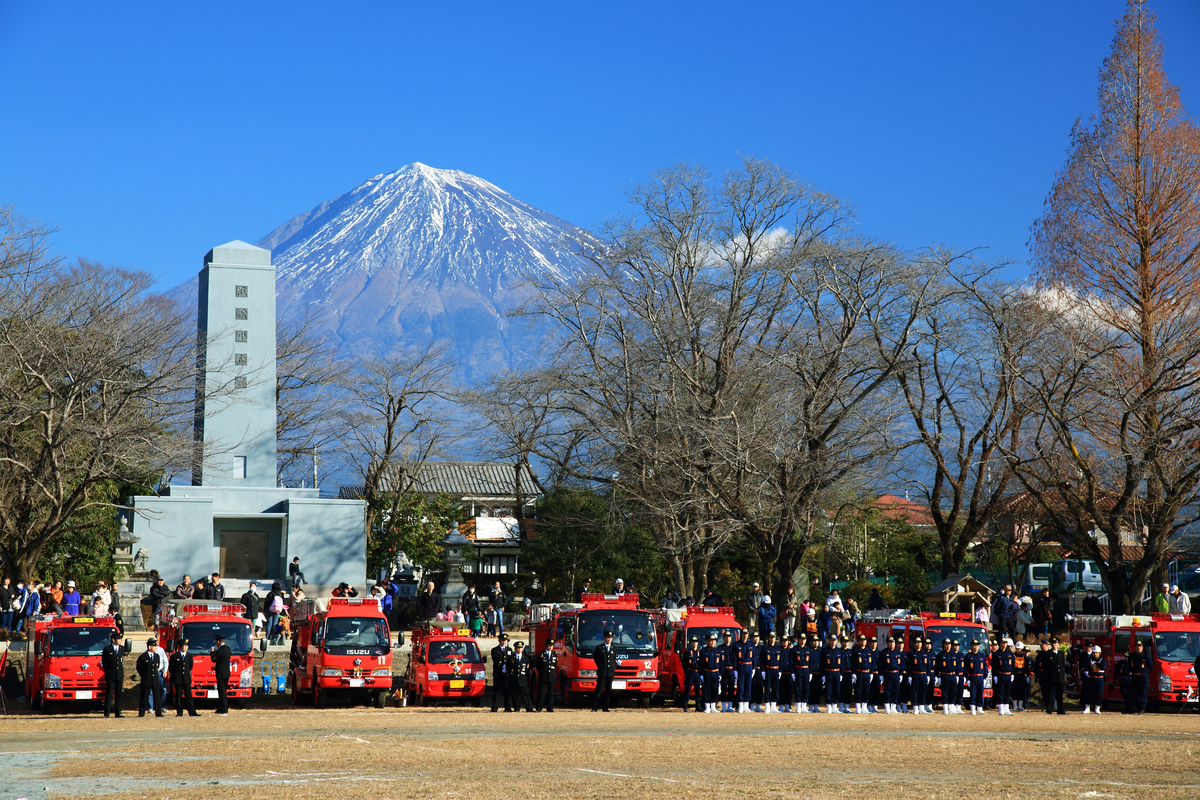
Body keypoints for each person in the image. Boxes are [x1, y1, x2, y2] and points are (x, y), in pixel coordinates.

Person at [168, 639, 199, 716]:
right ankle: (179, 712)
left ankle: (192, 712)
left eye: (187, 646)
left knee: (189, 695)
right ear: (180, 647)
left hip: (186, 678)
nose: (186, 648)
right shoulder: (175, 656)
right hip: (178, 678)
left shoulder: (189, 656)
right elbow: (171, 667)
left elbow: (190, 666)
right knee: (178, 696)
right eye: (184, 646)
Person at [1035, 639, 1067, 715]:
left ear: (1058, 644)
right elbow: (1045, 666)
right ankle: (1049, 709)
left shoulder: (1061, 653)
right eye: (1052, 643)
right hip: (1051, 677)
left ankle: (1060, 709)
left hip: (1060, 677)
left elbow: (1062, 664)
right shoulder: (1048, 654)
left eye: (1055, 643)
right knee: (1050, 694)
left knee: (1060, 695)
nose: (1054, 645)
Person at [136, 637, 164, 717]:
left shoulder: (157, 656)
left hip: (155, 679)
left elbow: (157, 666)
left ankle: (158, 713)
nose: (156, 647)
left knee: (157, 697)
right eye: (154, 646)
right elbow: (139, 668)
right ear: (149, 646)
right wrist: (144, 675)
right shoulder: (143, 657)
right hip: (146, 679)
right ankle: (141, 713)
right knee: (144, 696)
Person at [732, 628, 758, 713]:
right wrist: (735, 669)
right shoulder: (736, 645)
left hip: (749, 666)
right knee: (741, 686)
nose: (744, 636)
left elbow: (754, 656)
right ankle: (740, 705)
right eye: (743, 634)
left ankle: (746, 705)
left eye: (746, 634)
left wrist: (754, 667)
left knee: (748, 686)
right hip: (740, 666)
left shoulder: (751, 644)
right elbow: (734, 658)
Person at [591, 629, 617, 711]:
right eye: (607, 638)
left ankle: (605, 707)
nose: (608, 639)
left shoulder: (614, 648)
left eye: (610, 638)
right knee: (599, 690)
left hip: (610, 672)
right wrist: (601, 667)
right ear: (604, 638)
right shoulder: (599, 648)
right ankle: (594, 707)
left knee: (608, 691)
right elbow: (596, 659)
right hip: (602, 671)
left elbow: (613, 659)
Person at [699, 632, 725, 713]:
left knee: (715, 689)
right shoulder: (703, 651)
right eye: (710, 640)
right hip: (707, 673)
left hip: (716, 673)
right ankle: (707, 707)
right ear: (707, 642)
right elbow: (700, 664)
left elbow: (721, 664)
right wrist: (701, 675)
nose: (712, 642)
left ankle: (713, 706)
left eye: (713, 640)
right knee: (706, 690)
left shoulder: (718, 651)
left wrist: (720, 674)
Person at [102, 631, 126, 718]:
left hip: (119, 674)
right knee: (109, 693)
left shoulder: (122, 648)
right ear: (113, 640)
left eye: (120, 639)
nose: (120, 640)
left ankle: (118, 712)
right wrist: (108, 671)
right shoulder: (107, 649)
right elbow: (104, 662)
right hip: (110, 674)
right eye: (118, 639)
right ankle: (107, 712)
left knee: (119, 694)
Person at [759, 630, 784, 712]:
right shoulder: (765, 648)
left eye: (773, 637)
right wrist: (762, 670)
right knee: (767, 688)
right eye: (770, 637)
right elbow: (761, 660)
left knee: (775, 688)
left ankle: (773, 706)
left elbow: (781, 661)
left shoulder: (778, 648)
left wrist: (780, 670)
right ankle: (767, 706)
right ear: (768, 638)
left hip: (776, 670)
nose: (772, 639)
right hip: (767, 669)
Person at [507, 641, 535, 711]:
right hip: (514, 679)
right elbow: (508, 668)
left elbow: (526, 669)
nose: (519, 650)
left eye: (520, 648)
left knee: (525, 695)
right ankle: (516, 708)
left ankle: (529, 708)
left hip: (522, 679)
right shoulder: (511, 658)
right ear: (515, 649)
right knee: (514, 695)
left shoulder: (526, 659)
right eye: (517, 648)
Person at [1126, 638, 1151, 714]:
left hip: (1143, 677)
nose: (1138, 648)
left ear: (1142, 647)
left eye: (1140, 646)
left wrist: (1146, 673)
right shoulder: (1132, 656)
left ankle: (1142, 709)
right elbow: (1129, 666)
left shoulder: (1145, 656)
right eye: (1137, 646)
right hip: (1134, 676)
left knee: (1143, 693)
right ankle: (1132, 708)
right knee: (1133, 693)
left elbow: (1150, 667)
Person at [821, 634, 845, 713]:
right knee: (828, 689)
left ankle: (835, 706)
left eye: (834, 640)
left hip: (837, 672)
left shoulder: (839, 651)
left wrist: (841, 673)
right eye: (831, 640)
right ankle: (829, 707)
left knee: (836, 690)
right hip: (828, 672)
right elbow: (822, 664)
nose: (833, 642)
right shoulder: (825, 651)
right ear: (828, 640)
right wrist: (823, 674)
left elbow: (842, 663)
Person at [964, 639, 989, 715]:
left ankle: (980, 708)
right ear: (971, 646)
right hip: (972, 677)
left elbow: (985, 667)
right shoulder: (968, 656)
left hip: (980, 677)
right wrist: (967, 679)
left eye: (977, 645)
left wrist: (985, 677)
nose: (976, 647)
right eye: (974, 645)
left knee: (980, 693)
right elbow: (965, 669)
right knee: (973, 693)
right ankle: (972, 709)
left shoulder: (981, 656)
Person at [992, 638, 1015, 715]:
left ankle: (1006, 708)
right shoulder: (996, 654)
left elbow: (1012, 665)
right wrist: (995, 675)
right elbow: (994, 666)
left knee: (1007, 692)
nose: (1004, 644)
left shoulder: (1009, 653)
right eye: (1003, 643)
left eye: (1005, 643)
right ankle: (1001, 708)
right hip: (1000, 674)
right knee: (1000, 692)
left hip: (1008, 675)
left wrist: (1012, 674)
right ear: (1000, 644)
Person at [1080, 644, 1105, 714]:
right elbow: (1086, 667)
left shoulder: (1102, 660)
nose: (1095, 654)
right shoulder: (1089, 660)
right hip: (1091, 678)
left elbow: (1103, 667)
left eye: (1096, 652)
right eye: (1094, 652)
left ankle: (1097, 708)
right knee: (1088, 693)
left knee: (1099, 694)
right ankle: (1087, 708)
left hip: (1099, 679)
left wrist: (1095, 664)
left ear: (1099, 653)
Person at [680, 635, 703, 711]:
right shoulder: (687, 652)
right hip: (690, 672)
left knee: (697, 689)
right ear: (690, 643)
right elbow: (684, 663)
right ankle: (685, 705)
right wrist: (687, 670)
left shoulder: (700, 652)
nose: (694, 644)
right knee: (687, 689)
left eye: (695, 642)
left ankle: (698, 705)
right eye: (693, 642)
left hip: (697, 673)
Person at [490, 633, 511, 712]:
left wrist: (507, 667)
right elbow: (496, 660)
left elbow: (510, 660)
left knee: (507, 691)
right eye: (502, 640)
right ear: (499, 640)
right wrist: (503, 666)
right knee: (497, 691)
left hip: (507, 674)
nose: (503, 642)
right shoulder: (495, 650)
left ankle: (507, 707)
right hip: (499, 673)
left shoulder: (509, 650)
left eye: (505, 641)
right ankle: (495, 707)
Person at [534, 642, 558, 712]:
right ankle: (539, 707)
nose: (550, 647)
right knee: (541, 692)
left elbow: (555, 665)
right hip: (543, 676)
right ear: (546, 646)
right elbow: (537, 666)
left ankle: (550, 707)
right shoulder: (541, 654)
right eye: (549, 645)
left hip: (551, 676)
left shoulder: (554, 655)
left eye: (552, 646)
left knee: (551, 692)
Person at [719, 630, 738, 712]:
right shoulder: (720, 648)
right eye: (726, 637)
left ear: (731, 638)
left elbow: (736, 659)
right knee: (723, 688)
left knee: (731, 688)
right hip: (723, 670)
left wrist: (735, 670)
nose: (727, 639)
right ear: (723, 638)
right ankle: (723, 706)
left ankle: (730, 706)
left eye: (729, 637)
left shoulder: (734, 648)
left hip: (731, 670)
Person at [212, 633, 232, 714]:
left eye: (216, 642)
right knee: (224, 690)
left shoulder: (220, 650)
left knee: (222, 691)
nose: (216, 644)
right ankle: (221, 707)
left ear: (219, 642)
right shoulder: (228, 649)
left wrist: (212, 652)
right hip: (226, 673)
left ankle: (223, 708)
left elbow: (214, 659)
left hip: (221, 673)